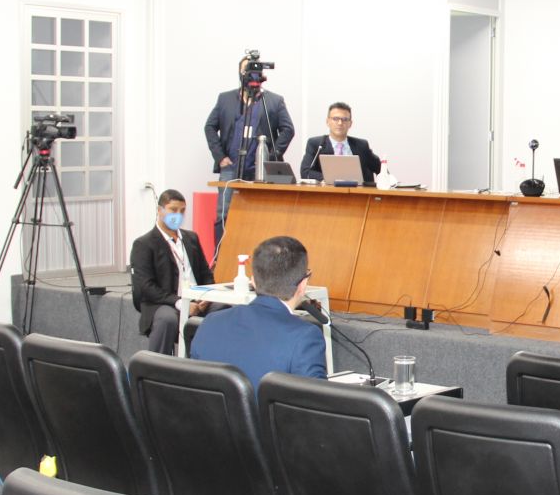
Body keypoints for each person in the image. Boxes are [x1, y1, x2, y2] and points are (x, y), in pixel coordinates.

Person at [189, 235, 326, 390]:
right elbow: (314, 402)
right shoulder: (305, 337)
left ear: (253, 281)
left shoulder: (210, 323)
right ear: (303, 285)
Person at [204, 51, 295, 250]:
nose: (252, 73)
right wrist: (220, 157)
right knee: (224, 213)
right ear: (240, 72)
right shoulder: (225, 99)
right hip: (231, 166)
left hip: (260, 170)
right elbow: (210, 127)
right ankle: (220, 257)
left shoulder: (273, 101)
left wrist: (272, 156)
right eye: (247, 69)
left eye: (256, 69)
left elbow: (288, 130)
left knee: (261, 215)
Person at [130, 189, 213, 354]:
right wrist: (180, 303)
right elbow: (146, 287)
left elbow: (206, 274)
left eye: (182, 211)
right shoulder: (144, 244)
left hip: (196, 299)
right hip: (165, 302)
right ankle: (157, 365)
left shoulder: (191, 238)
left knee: (224, 309)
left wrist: (207, 296)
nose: (178, 215)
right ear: (159, 210)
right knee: (167, 319)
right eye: (173, 210)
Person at [299, 101, 382, 183]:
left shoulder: (361, 146)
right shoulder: (316, 145)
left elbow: (381, 169)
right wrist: (331, 179)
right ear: (327, 121)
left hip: (357, 190)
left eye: (345, 119)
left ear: (350, 123)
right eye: (335, 119)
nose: (340, 123)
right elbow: (305, 172)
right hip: (327, 190)